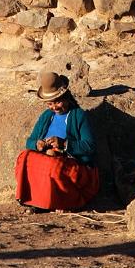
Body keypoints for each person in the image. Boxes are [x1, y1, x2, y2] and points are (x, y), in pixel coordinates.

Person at [15, 71, 99, 212]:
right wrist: (37, 144)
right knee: (24, 157)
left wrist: (64, 144)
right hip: (47, 157)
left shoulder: (78, 115)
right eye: (50, 103)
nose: (54, 107)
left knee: (54, 167)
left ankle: (58, 201)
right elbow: (30, 141)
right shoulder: (47, 116)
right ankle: (37, 200)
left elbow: (89, 146)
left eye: (58, 102)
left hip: (72, 164)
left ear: (67, 97)